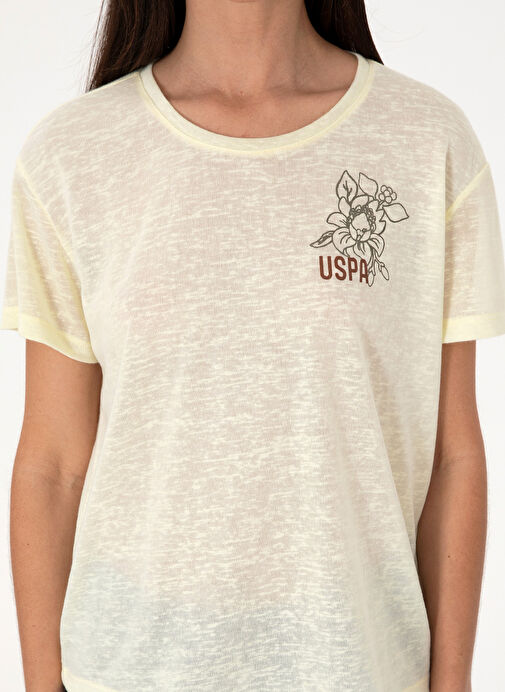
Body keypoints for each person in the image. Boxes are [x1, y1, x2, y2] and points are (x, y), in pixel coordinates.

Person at [2, 1, 505, 691]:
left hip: (356, 664)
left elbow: (451, 456)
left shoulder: (425, 140)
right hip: (130, 666)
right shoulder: (72, 154)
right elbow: (54, 465)